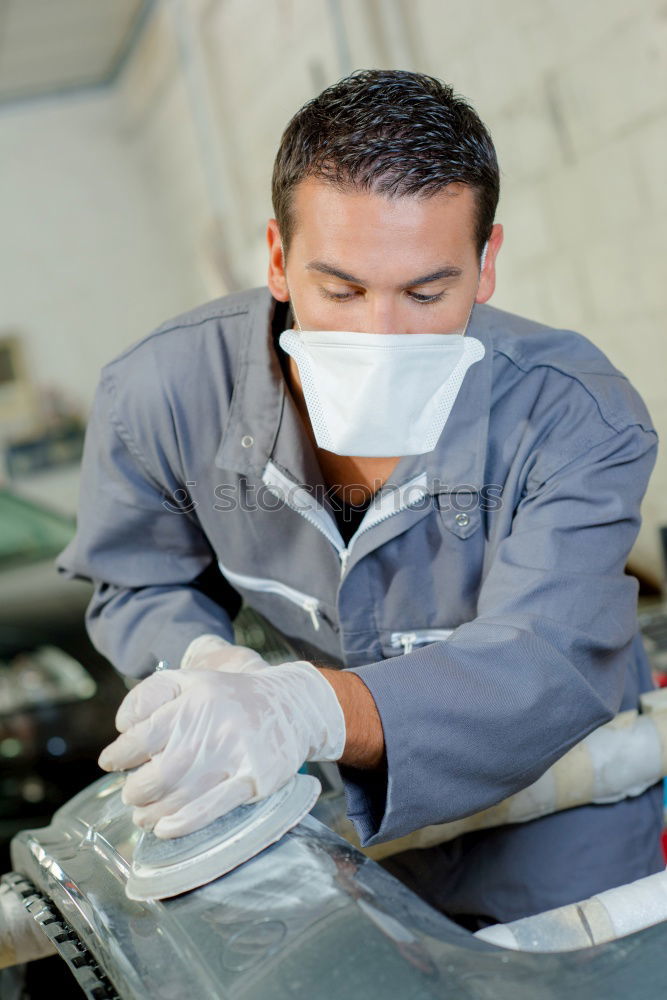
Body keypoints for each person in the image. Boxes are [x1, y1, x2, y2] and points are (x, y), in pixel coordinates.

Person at [56, 69, 664, 929]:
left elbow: (546, 656)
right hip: (332, 820)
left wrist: (308, 707)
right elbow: (137, 580)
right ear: (276, 258)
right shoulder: (162, 393)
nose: (379, 337)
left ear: (486, 264)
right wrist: (205, 665)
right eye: (339, 290)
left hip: (565, 817)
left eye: (426, 292)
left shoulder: (574, 412)